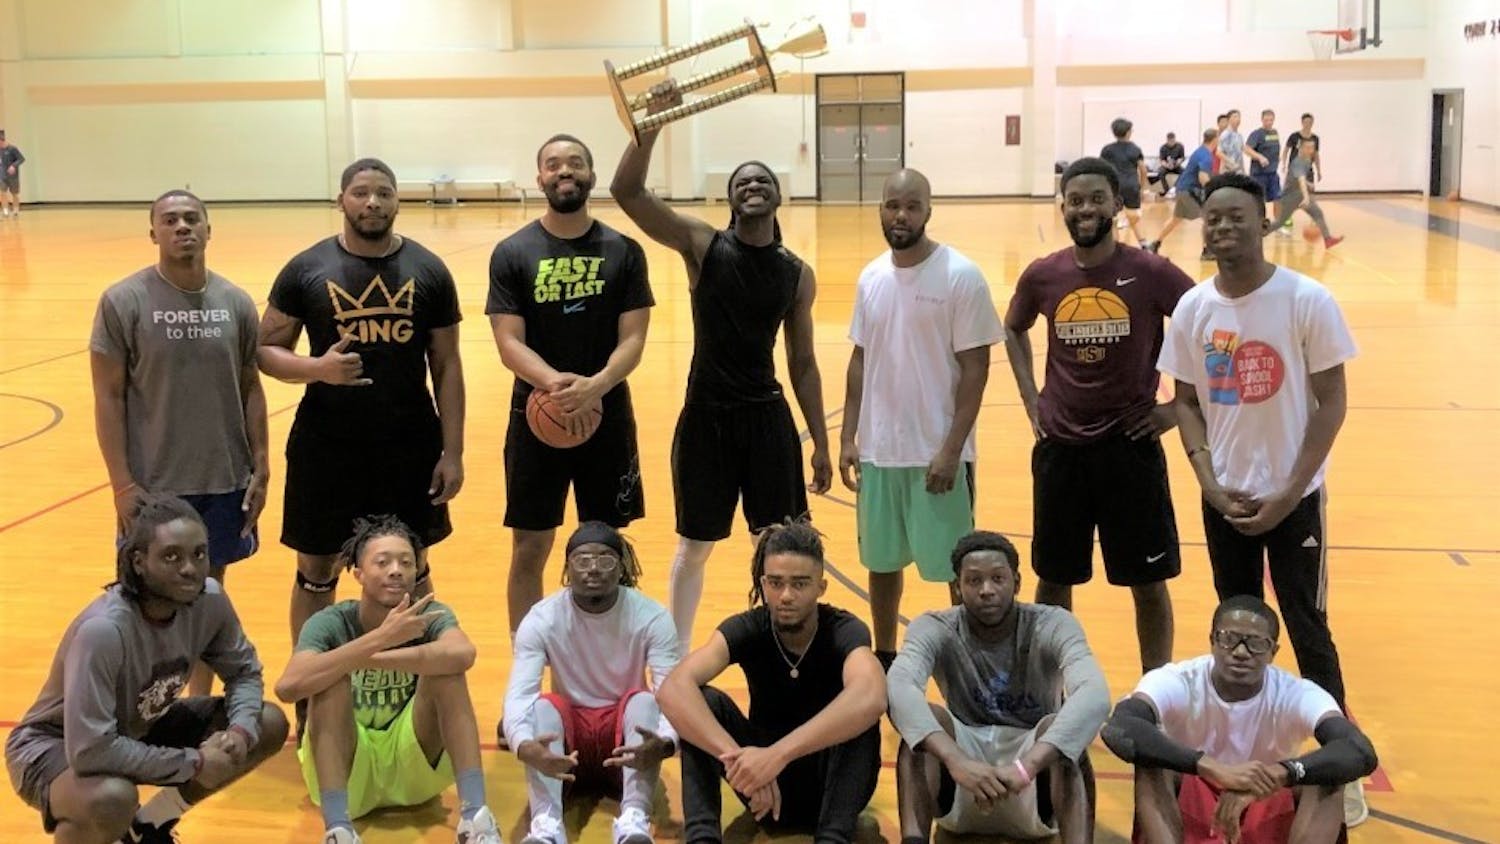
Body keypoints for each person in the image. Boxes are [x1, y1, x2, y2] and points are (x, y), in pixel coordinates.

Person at [1157, 172, 1366, 828]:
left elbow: (1331, 404)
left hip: (1293, 497)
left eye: (1235, 217)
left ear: (1265, 220)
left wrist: (1287, 491)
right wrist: (1207, 480)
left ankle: (1339, 766)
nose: (1221, 228)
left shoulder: (1306, 300)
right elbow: (1186, 402)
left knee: (1307, 624)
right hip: (1225, 500)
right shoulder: (1194, 309)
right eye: (1212, 218)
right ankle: (1235, 752)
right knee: (1237, 624)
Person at [611, 82, 832, 647]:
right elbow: (627, 191)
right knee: (695, 546)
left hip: (767, 420)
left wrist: (821, 445)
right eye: (741, 182)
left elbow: (803, 363)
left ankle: (788, 643)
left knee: (780, 542)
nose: (752, 186)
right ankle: (674, 654)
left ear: (778, 198)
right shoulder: (703, 246)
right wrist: (652, 125)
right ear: (730, 199)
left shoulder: (796, 272)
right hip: (706, 416)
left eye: (762, 180)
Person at [258, 158, 466, 649]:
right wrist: (317, 369)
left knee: (409, 562)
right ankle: (313, 681)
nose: (372, 202)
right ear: (342, 201)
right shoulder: (306, 268)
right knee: (316, 567)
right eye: (360, 193)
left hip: (409, 445)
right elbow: (265, 351)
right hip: (326, 446)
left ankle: (419, 684)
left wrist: (452, 451)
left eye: (383, 193)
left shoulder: (429, 269)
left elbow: (448, 365)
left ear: (397, 200)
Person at [4, 496, 288, 844]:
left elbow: (244, 672)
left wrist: (240, 733)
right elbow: (91, 750)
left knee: (266, 721)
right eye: (172, 556)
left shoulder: (210, 599)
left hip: (139, 723)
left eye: (199, 554)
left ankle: (149, 825)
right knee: (112, 798)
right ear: (139, 562)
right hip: (56, 746)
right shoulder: (104, 631)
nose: (190, 568)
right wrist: (195, 762)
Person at [1004, 158, 1193, 672]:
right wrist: (1030, 398)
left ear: (1116, 204)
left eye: (1095, 198)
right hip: (1061, 449)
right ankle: (1049, 690)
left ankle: (1155, 689)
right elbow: (1012, 329)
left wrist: (1177, 408)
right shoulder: (1044, 274)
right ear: (1062, 206)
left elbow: (1208, 325)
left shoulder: (1151, 272)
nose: (1085, 208)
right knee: (1054, 578)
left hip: (1130, 449)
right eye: (1075, 199)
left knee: (1148, 582)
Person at [90, 190, 269, 697]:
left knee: (206, 595)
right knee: (142, 599)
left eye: (192, 219)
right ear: (153, 233)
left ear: (210, 230)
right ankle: (140, 703)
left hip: (222, 479)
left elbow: (251, 385)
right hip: (154, 488)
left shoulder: (234, 302)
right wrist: (122, 484)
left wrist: (261, 465)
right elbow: (107, 396)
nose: (182, 227)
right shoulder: (124, 301)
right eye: (170, 220)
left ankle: (196, 703)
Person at [488, 134, 653, 633]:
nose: (565, 171)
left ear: (591, 174)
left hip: (607, 412)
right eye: (554, 164)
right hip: (537, 416)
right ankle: (526, 667)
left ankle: (611, 654)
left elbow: (634, 337)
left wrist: (596, 385)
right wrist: (558, 386)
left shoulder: (624, 250)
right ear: (539, 178)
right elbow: (508, 341)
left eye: (575, 163)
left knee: (606, 544)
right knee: (530, 546)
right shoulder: (513, 252)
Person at [839, 168, 1001, 668]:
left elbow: (977, 368)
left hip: (937, 453)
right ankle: (885, 657)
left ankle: (966, 661)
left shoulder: (960, 275)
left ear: (928, 210)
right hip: (880, 452)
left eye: (911, 206)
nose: (900, 215)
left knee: (957, 569)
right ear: (880, 210)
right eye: (892, 205)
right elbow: (860, 359)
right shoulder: (870, 277)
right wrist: (849, 437)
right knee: (882, 565)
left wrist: (952, 448)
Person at [274, 515, 501, 844]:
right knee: (329, 680)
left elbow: (463, 654)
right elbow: (287, 687)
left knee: (446, 671)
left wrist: (366, 655)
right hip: (349, 767)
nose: (396, 570)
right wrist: (380, 638)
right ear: (359, 574)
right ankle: (338, 830)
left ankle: (475, 817)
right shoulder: (330, 621)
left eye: (406, 562)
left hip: (412, 762)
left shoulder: (430, 614)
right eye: (383, 562)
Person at [656, 523, 885, 844]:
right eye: (776, 583)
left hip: (831, 785)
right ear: (763, 584)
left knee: (859, 717)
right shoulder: (747, 627)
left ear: (822, 586)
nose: (786, 595)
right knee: (701, 702)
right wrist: (742, 761)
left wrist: (776, 755)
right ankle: (702, 838)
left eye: (800, 584)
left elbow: (872, 696)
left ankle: (833, 838)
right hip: (761, 787)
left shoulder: (844, 630)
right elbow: (672, 689)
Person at [888, 530, 1108, 844]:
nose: (987, 590)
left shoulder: (1053, 623)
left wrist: (1025, 767)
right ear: (957, 586)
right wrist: (957, 761)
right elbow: (898, 688)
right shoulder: (934, 627)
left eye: (998, 578)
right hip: (963, 775)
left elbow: (1095, 695)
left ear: (1017, 583)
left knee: (1063, 729)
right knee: (922, 725)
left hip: (1033, 771)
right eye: (974, 580)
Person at [1102, 596, 1378, 843]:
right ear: (1212, 640)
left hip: (1265, 794)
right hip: (1194, 794)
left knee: (1327, 776)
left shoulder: (1296, 693)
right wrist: (1209, 767)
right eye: (1228, 639)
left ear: (1274, 652)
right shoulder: (1177, 680)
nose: (1241, 652)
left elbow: (1359, 751)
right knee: (1152, 765)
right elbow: (1121, 729)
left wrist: (1282, 773)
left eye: (1256, 644)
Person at [503, 522, 681, 844]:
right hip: (568, 753)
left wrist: (666, 742)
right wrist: (524, 745)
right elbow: (520, 693)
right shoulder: (542, 618)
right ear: (567, 568)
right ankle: (546, 825)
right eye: (583, 560)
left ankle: (634, 820)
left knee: (644, 701)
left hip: (624, 745)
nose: (594, 569)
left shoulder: (652, 617)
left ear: (622, 566)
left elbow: (672, 691)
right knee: (544, 706)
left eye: (606, 560)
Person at [1146, 128, 1217, 259]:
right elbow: (1202, 177)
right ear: (1215, 140)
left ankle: (1155, 243)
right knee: (1208, 218)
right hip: (1188, 191)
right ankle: (1207, 251)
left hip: (1182, 188)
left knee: (1176, 219)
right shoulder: (1206, 156)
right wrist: (1212, 191)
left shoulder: (1200, 151)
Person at [1272, 143, 1344, 249]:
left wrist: (1308, 184)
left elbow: (1299, 179)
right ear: (1301, 148)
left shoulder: (1306, 161)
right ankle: (1258, 235)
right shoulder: (1297, 162)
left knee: (1318, 213)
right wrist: (1306, 196)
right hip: (1290, 197)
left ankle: (1328, 239)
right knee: (1279, 222)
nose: (1311, 150)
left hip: (1299, 195)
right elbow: (1300, 180)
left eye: (1312, 148)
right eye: (1308, 147)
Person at [1099, 118, 1152, 246]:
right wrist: (1143, 188)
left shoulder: (1107, 150)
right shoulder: (1135, 149)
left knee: (1114, 219)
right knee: (1134, 218)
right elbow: (1143, 170)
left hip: (1114, 187)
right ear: (1128, 132)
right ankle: (1144, 244)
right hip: (1131, 186)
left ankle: (1115, 247)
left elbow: (1102, 169)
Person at [1243, 110, 1282, 215]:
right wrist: (1259, 157)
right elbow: (1246, 149)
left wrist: (1279, 157)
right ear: (1262, 120)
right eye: (1266, 120)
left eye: (1271, 120)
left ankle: (1278, 223)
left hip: (1272, 172)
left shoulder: (1275, 133)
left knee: (1278, 197)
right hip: (1259, 173)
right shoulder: (1257, 134)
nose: (1269, 122)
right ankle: (1259, 221)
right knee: (1259, 199)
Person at [1282, 114, 1322, 185]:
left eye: (1310, 122)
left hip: (1307, 169)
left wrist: (1319, 171)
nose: (1307, 124)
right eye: (1306, 122)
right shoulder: (1294, 136)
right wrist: (1283, 164)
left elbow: (1316, 155)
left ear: (1312, 123)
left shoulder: (1315, 138)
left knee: (1308, 191)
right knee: (1292, 192)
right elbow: (1286, 150)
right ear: (1302, 123)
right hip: (1294, 169)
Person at [0, 129, 24, 217]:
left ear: (2, 141)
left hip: (13, 176)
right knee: (2, 192)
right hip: (2, 176)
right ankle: (5, 211)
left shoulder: (12, 149)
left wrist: (13, 166)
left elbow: (21, 159)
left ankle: (16, 210)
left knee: (14, 193)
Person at [1218, 110, 1246, 175]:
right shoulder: (1225, 134)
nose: (1238, 119)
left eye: (1239, 117)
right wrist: (1231, 162)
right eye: (1235, 117)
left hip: (1238, 171)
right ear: (1229, 119)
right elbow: (1219, 153)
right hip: (1227, 171)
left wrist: (1243, 170)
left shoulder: (1239, 136)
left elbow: (1240, 153)